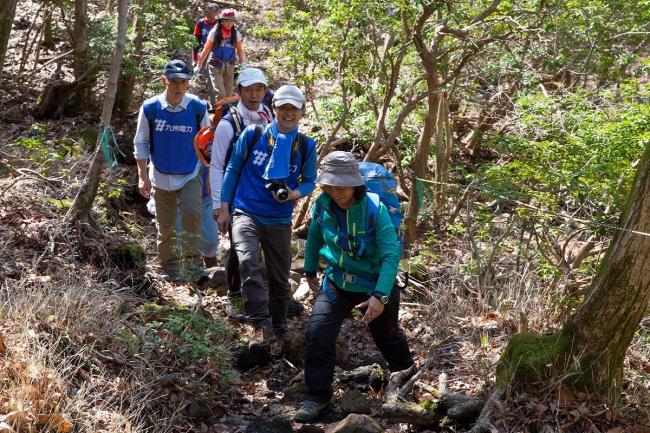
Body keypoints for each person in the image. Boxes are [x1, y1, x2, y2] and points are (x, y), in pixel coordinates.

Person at [295, 151, 416, 423]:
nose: (336, 192)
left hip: (374, 284)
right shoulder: (322, 204)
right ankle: (317, 398)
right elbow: (314, 234)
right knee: (318, 333)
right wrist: (310, 268)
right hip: (338, 281)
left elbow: (390, 255)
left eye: (342, 185)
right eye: (330, 185)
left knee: (388, 338)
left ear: (356, 184)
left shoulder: (375, 210)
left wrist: (380, 296)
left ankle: (407, 387)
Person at [217, 85, 317, 350]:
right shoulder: (253, 134)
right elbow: (233, 168)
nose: (288, 113)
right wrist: (224, 207)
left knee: (279, 276)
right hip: (245, 211)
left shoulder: (306, 145)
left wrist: (293, 194)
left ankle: (279, 325)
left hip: (279, 219)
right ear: (274, 109)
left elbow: (309, 182)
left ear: (301, 112)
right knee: (248, 261)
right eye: (283, 107)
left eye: (293, 109)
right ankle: (259, 323)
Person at [134, 59, 211, 282]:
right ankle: (169, 266)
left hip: (190, 172)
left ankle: (194, 265)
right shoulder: (150, 108)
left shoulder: (197, 108)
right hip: (160, 174)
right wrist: (142, 176)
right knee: (165, 224)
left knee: (192, 216)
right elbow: (141, 142)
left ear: (189, 83)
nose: (179, 87)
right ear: (164, 81)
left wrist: (208, 175)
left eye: (183, 82)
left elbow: (206, 143)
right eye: (174, 82)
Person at [210, 67, 273, 317]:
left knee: (265, 244)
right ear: (238, 91)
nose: (254, 95)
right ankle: (235, 295)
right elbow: (216, 165)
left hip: (262, 192)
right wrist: (219, 205)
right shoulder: (229, 124)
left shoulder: (268, 115)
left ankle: (270, 294)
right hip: (235, 194)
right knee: (238, 247)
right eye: (249, 90)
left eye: (259, 89)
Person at [195, 8, 245, 101]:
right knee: (220, 93)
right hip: (215, 65)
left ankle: (226, 114)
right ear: (221, 20)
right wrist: (199, 64)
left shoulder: (235, 33)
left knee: (229, 94)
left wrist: (242, 64)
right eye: (226, 20)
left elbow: (239, 50)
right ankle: (220, 114)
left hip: (230, 65)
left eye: (231, 21)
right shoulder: (215, 32)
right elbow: (206, 49)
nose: (229, 23)